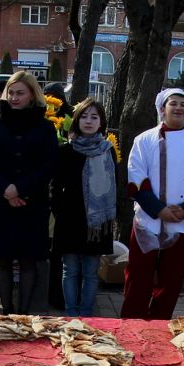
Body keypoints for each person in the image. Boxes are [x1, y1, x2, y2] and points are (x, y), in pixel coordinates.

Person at [121, 87, 184, 320]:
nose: (179, 108)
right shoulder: (144, 140)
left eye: (183, 104)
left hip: (183, 221)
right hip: (148, 220)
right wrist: (158, 209)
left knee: (171, 279)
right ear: (162, 109)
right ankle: (132, 322)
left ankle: (160, 323)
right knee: (139, 275)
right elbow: (136, 178)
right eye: (174, 103)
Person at [0, 70, 55, 314]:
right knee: (3, 259)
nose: (14, 97)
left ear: (32, 95)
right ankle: (6, 312)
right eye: (10, 92)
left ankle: (23, 314)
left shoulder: (44, 127)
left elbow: (49, 165)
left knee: (28, 260)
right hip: (0, 202)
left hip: (32, 203)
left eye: (20, 93)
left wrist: (20, 188)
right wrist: (6, 189)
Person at [50, 99, 119, 318]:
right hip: (70, 219)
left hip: (97, 223)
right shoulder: (65, 151)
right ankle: (71, 315)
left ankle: (87, 315)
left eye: (94, 117)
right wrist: (60, 210)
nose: (89, 121)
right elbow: (55, 186)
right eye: (84, 116)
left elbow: (115, 185)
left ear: (101, 122)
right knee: (70, 270)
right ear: (77, 120)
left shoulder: (108, 151)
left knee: (90, 272)